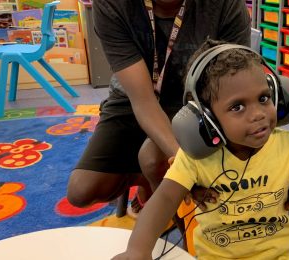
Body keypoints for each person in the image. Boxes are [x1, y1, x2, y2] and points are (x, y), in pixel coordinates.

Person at [112, 40, 289, 259]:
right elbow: (163, 201)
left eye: (264, 98)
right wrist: (137, 251)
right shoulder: (195, 158)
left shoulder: (288, 145)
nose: (258, 113)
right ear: (207, 118)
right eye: (237, 106)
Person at [66, 0, 251, 218]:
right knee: (81, 190)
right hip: (134, 96)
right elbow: (143, 101)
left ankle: (161, 196)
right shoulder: (111, 4)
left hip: (194, 101)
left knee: (154, 159)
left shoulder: (225, 5)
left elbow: (235, 91)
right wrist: (188, 167)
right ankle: (144, 179)